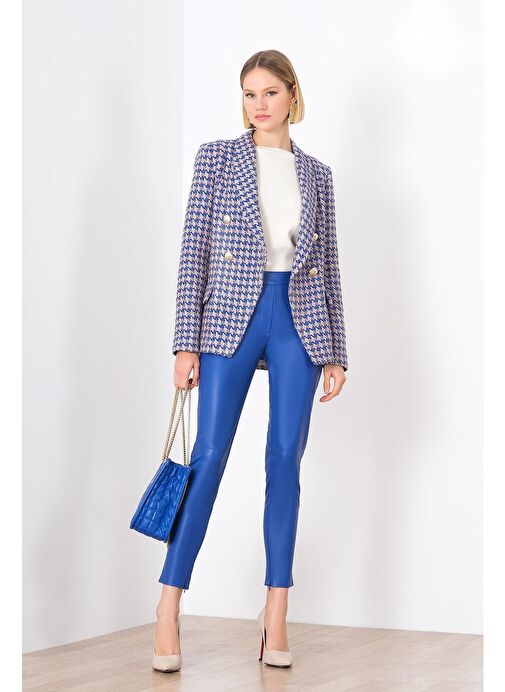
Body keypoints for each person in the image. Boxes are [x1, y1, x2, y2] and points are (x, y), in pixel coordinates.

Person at [152, 49, 348, 673]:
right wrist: (185, 342)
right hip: (228, 318)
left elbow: (329, 266)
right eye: (248, 93)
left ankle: (276, 612)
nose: (258, 104)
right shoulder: (216, 159)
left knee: (285, 458)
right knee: (209, 455)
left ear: (292, 95)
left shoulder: (318, 174)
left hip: (299, 320)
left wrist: (337, 351)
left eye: (269, 92)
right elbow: (193, 253)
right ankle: (168, 604)